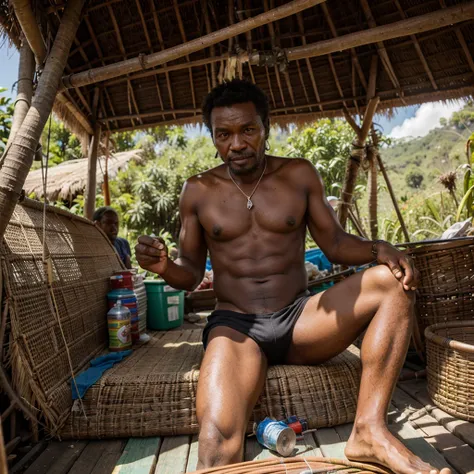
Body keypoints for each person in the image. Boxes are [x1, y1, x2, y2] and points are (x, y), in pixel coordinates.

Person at [135, 80, 449, 474]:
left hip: (300, 318)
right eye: (224, 134)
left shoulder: (298, 175)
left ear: (266, 128)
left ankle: (369, 430)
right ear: (213, 137)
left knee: (391, 281)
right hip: (236, 326)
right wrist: (164, 267)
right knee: (215, 454)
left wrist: (378, 249)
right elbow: (191, 274)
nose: (237, 143)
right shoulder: (197, 191)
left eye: (247, 130)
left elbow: (334, 243)